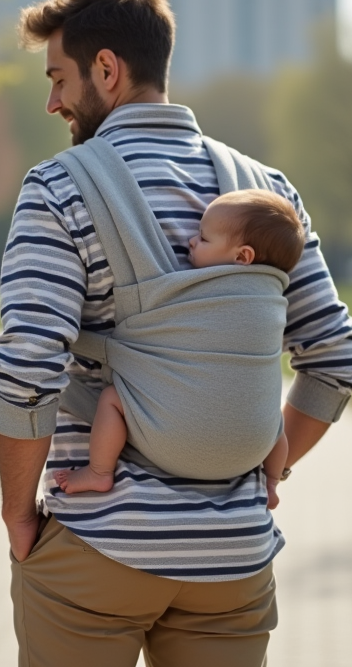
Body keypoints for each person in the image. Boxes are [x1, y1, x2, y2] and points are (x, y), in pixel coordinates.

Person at [0, 0, 352, 667]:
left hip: (98, 552)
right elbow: (336, 361)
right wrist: (258, 470)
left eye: (59, 79)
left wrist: (18, 513)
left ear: (107, 69)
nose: (52, 102)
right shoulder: (267, 190)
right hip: (233, 560)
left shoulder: (57, 188)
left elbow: (28, 369)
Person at [54, 189, 305, 506]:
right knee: (273, 419)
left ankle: (99, 471)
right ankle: (270, 483)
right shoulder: (271, 300)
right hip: (252, 448)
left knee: (112, 399)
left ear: (242, 257)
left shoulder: (190, 289)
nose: (191, 241)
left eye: (203, 238)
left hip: (173, 443)